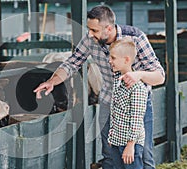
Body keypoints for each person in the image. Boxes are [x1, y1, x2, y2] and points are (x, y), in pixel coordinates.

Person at [33, 5, 165, 169]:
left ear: (108, 28)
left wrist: (139, 75)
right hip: (108, 103)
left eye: (94, 30)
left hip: (136, 105)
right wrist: (51, 81)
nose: (89, 34)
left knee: (143, 156)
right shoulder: (90, 40)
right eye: (89, 29)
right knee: (110, 156)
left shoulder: (136, 38)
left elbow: (160, 76)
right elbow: (72, 63)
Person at [108, 38, 148, 169]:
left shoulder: (137, 88)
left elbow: (136, 118)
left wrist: (130, 145)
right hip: (116, 142)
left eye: (113, 58)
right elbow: (116, 112)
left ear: (126, 60)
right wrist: (112, 138)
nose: (110, 61)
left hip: (130, 145)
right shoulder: (117, 81)